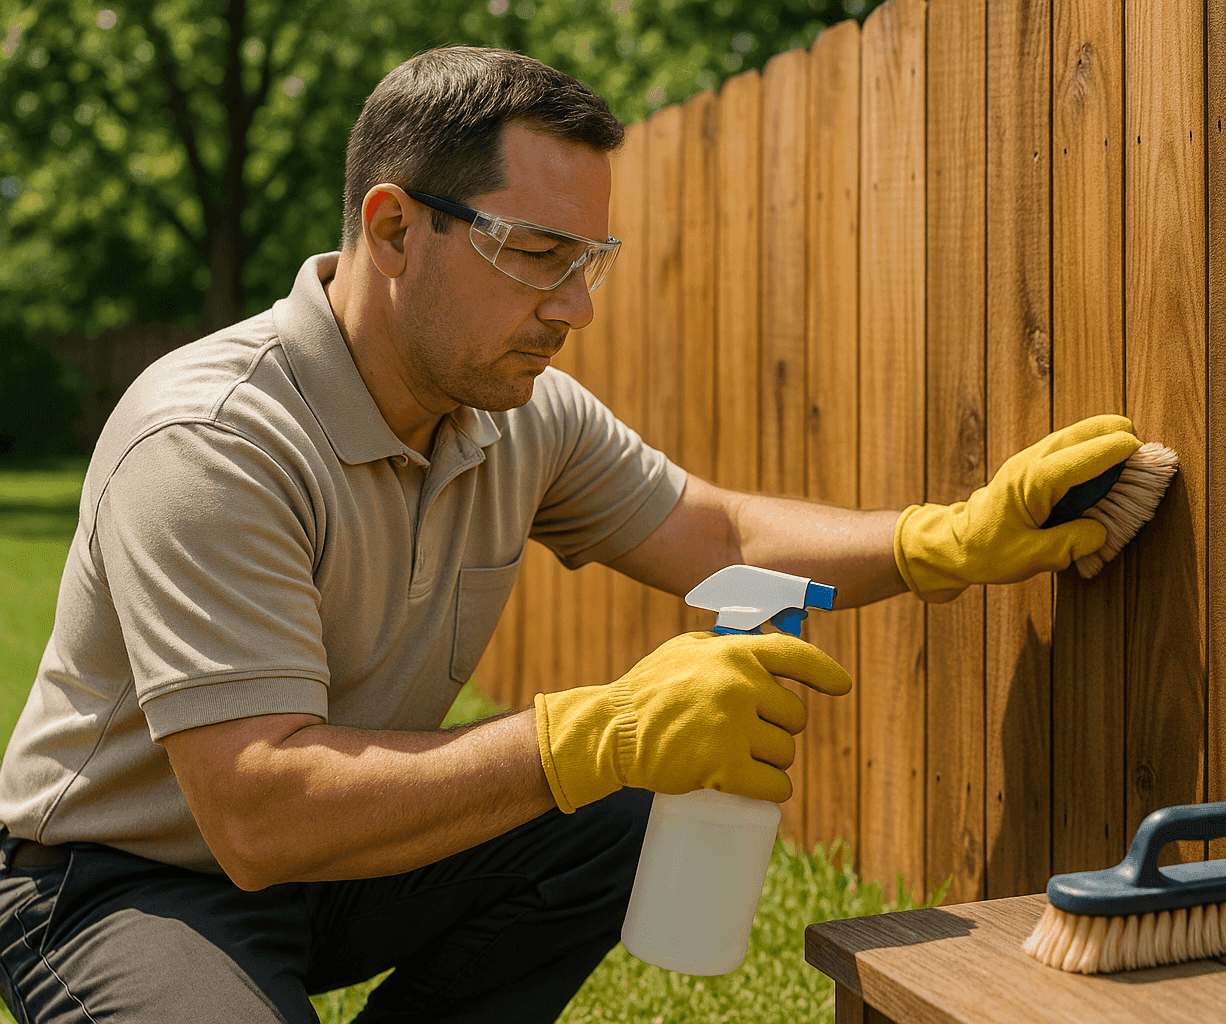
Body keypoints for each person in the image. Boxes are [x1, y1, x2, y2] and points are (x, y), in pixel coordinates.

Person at [0, 46, 1142, 1023]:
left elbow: (718, 529)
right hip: (119, 876)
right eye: (539, 255)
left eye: (588, 263)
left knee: (618, 816)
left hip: (327, 863)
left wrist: (939, 542)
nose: (576, 308)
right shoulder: (213, 437)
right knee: (593, 773)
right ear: (394, 228)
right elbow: (258, 809)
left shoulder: (513, 416)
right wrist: (591, 729)